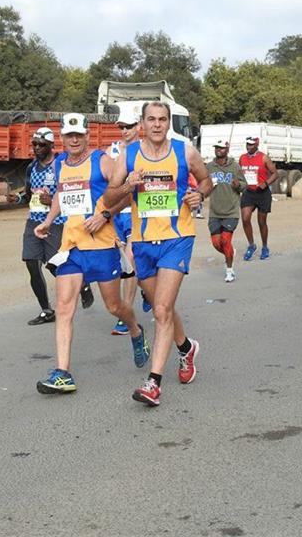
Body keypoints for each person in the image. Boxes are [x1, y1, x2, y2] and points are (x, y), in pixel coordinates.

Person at [104, 101, 211, 407]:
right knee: (161, 306)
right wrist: (128, 186)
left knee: (161, 309)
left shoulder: (185, 152)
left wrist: (199, 194)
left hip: (177, 238)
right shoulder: (129, 155)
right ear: (142, 124)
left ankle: (153, 383)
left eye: (162, 119)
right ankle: (186, 348)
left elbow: (206, 180)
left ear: (168, 122)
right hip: (142, 242)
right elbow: (110, 197)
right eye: (151, 119)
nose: (157, 125)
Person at [33, 113, 148, 394]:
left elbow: (127, 192)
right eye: (69, 135)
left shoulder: (102, 161)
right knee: (64, 307)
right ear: (62, 138)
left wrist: (105, 215)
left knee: (114, 306)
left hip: (101, 245)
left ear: (86, 136)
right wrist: (48, 221)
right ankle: (63, 373)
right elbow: (60, 194)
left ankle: (135, 331)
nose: (74, 140)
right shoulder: (60, 162)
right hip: (71, 247)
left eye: (79, 135)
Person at [8, 127, 94, 325]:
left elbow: (72, 193)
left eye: (41, 145)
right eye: (34, 144)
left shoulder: (60, 165)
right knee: (32, 263)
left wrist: (53, 201)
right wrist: (18, 198)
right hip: (34, 222)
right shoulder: (31, 168)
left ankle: (82, 282)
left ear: (51, 145)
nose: (37, 148)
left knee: (56, 265)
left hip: (57, 223)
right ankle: (46, 310)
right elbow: (30, 194)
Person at [106, 109, 143, 333]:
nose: (125, 131)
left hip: (136, 211)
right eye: (122, 127)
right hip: (115, 213)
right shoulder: (111, 151)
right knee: (120, 262)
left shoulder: (145, 150)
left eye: (129, 126)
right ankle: (146, 287)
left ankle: (125, 314)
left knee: (130, 259)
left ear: (138, 127)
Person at [206, 138, 245, 282]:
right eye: (217, 147)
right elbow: (203, 182)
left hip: (231, 211)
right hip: (215, 211)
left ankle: (230, 271)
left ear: (227, 150)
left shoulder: (235, 166)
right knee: (217, 243)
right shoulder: (209, 167)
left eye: (221, 148)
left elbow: (244, 185)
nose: (218, 150)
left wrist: (238, 185)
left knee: (225, 240)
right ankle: (230, 253)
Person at [239, 136, 278, 261]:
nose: (249, 147)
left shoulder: (264, 158)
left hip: (262, 193)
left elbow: (275, 174)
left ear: (257, 145)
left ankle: (265, 247)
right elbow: (239, 174)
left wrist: (266, 183)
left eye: (251, 144)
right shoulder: (242, 158)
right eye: (247, 144)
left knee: (261, 222)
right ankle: (251, 245)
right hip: (248, 192)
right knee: (245, 218)